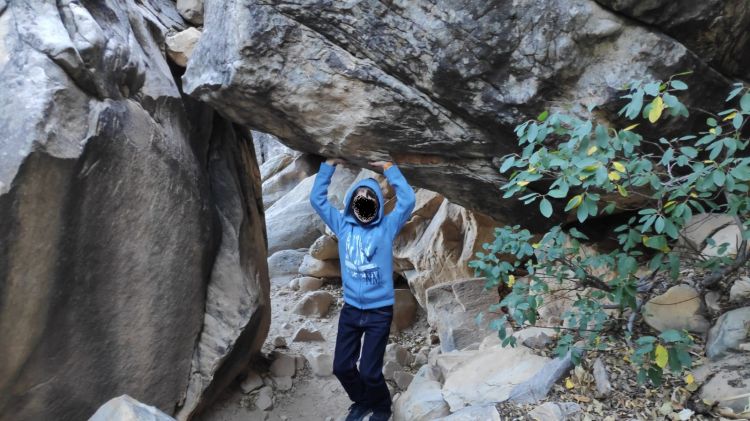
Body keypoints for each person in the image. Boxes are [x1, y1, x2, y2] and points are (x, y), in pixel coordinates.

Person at [310, 158, 416, 421]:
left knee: (370, 371)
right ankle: (362, 401)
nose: (364, 200)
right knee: (342, 367)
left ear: (379, 202)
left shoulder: (386, 227)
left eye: (370, 196)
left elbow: (408, 201)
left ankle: (381, 407)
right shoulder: (343, 226)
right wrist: (328, 166)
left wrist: (390, 170)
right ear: (350, 203)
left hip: (379, 312)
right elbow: (317, 200)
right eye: (359, 196)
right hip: (351, 310)